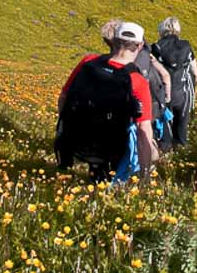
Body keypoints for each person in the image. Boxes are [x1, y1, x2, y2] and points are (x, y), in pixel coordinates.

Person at [55, 20, 160, 180]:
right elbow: (143, 129)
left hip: (76, 140)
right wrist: (144, 177)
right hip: (112, 149)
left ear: (114, 41)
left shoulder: (88, 62)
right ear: (139, 46)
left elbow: (63, 97)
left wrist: (66, 128)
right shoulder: (137, 80)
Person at [150, 17, 197, 148]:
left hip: (164, 94)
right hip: (183, 93)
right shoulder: (186, 46)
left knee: (165, 127)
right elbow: (196, 72)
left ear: (161, 30)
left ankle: (165, 152)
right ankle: (181, 150)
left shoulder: (155, 47)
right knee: (181, 127)